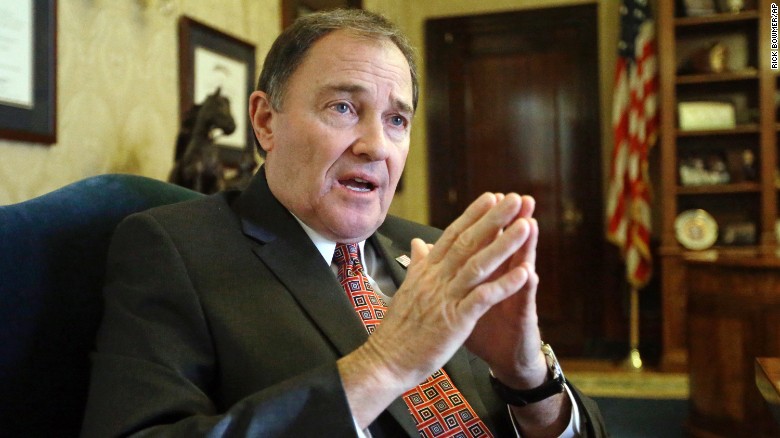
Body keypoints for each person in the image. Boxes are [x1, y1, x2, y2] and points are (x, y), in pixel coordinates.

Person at [81, 9, 607, 437]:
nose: (376, 146)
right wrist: (384, 365)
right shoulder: (175, 249)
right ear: (265, 121)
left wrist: (528, 378)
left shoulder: (434, 249)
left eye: (396, 119)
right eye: (342, 108)